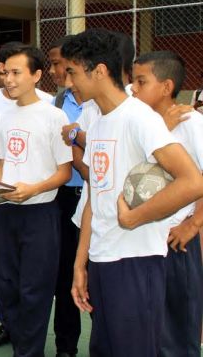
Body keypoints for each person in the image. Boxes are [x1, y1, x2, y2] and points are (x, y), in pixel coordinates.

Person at [63, 29, 203, 357]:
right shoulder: (97, 124)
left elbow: (192, 181)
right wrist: (80, 263)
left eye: (73, 72)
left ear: (98, 71)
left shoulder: (139, 119)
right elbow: (95, 198)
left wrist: (133, 217)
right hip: (103, 258)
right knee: (104, 349)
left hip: (136, 262)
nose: (68, 82)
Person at [0, 45, 72, 356]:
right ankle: (19, 342)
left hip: (40, 214)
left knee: (35, 290)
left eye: (17, 72)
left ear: (35, 75)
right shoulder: (2, 116)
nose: (9, 79)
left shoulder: (53, 115)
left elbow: (63, 172)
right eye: (6, 72)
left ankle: (29, 352)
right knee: (6, 286)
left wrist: (33, 189)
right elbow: (3, 163)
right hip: (6, 212)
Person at [130, 51, 203, 357]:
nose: (133, 88)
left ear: (166, 86)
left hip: (176, 238)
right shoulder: (138, 122)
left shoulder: (192, 123)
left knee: (177, 326)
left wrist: (193, 223)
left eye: (141, 81)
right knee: (145, 323)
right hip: (140, 237)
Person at [48, 36, 84, 357]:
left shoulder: (106, 104)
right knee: (63, 275)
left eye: (58, 63)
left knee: (100, 274)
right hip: (62, 198)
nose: (54, 70)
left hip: (95, 199)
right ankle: (66, 347)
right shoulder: (56, 103)